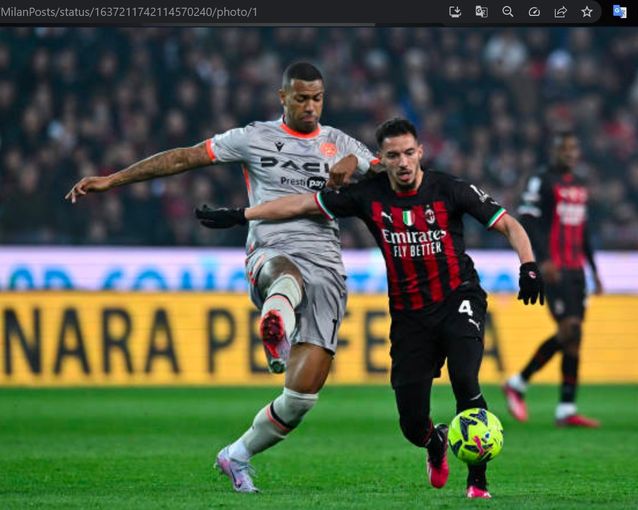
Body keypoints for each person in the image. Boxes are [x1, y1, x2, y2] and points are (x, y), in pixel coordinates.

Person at [65, 62, 380, 493]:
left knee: (301, 398)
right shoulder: (254, 137)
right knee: (284, 278)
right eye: (302, 98)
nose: (311, 106)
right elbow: (185, 157)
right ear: (282, 97)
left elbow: (395, 173)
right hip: (272, 247)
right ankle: (277, 328)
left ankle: (236, 455)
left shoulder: (338, 142)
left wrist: (357, 161)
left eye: (318, 98)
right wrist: (112, 179)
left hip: (327, 263)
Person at [195, 118, 545, 499]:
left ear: (420, 153)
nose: (403, 162)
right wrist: (241, 214)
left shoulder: (450, 189)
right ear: (381, 159)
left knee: (466, 379)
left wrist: (528, 266)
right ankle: (434, 442)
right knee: (412, 423)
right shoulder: (368, 195)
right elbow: (302, 204)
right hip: (410, 316)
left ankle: (478, 481)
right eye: (393, 155)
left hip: (458, 297)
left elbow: (508, 223)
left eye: (409, 153)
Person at [502, 131, 603, 428]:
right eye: (565, 148)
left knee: (574, 339)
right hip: (554, 267)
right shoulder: (542, 180)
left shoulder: (580, 185)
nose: (570, 153)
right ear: (555, 151)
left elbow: (582, 230)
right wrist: (541, 258)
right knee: (569, 328)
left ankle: (565, 409)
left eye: (574, 148)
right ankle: (518, 382)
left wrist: (594, 269)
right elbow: (529, 219)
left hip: (576, 271)